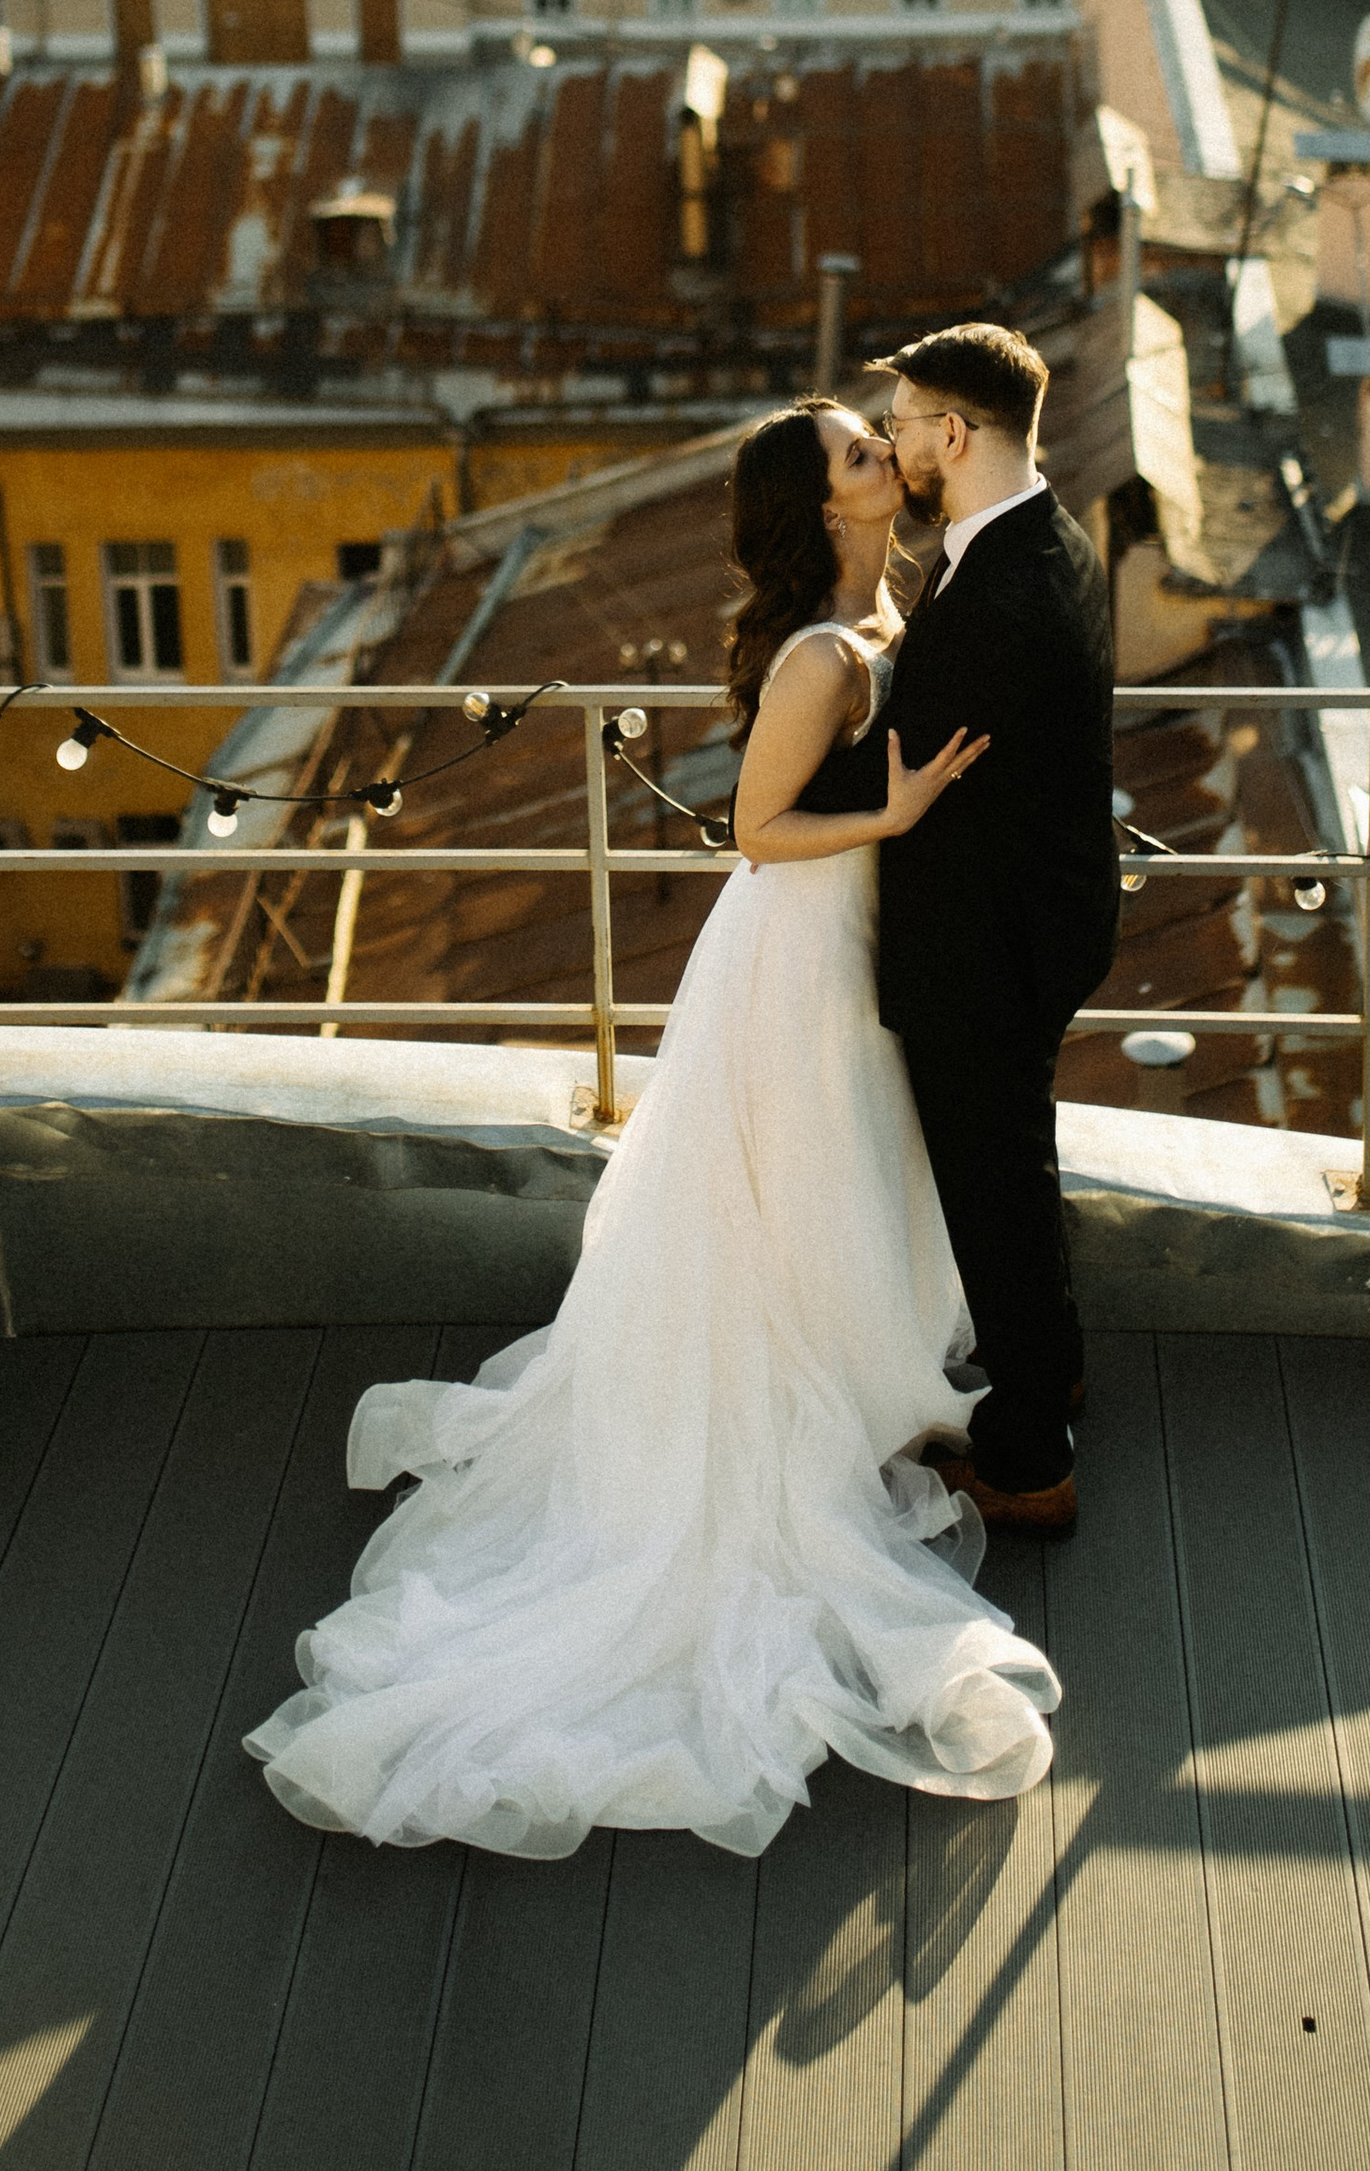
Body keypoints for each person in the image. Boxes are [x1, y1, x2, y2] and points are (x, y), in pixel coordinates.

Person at [244, 398, 1062, 1861]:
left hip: (840, 951)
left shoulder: (891, 610)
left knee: (832, 1189)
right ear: (825, 511)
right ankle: (794, 1403)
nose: (888, 458)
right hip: (795, 955)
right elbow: (751, 829)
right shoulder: (823, 655)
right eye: (863, 457)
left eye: (880, 443)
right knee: (790, 1193)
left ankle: (846, 1368)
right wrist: (904, 805)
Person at [877, 323, 1122, 1535]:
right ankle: (1057, 1366)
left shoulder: (996, 596)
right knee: (1014, 1164)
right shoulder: (1043, 533)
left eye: (908, 424)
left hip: (989, 939)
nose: (895, 442)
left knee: (995, 1191)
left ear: (956, 436)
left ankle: (1029, 1459)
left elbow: (906, 767)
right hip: (1045, 910)